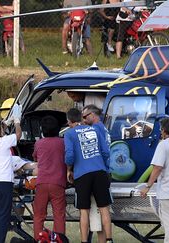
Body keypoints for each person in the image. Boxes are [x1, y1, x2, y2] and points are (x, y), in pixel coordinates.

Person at [64, 108, 113, 243]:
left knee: (84, 211)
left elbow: (69, 156)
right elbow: (105, 151)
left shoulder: (69, 134)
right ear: (81, 118)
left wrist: (69, 169)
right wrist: (101, 164)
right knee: (104, 208)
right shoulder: (95, 129)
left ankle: (84, 241)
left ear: (69, 121)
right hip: (100, 172)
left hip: (82, 174)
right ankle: (109, 240)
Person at [32, 116, 67, 240]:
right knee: (59, 215)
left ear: (42, 130)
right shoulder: (63, 143)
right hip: (58, 182)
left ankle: (38, 239)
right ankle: (59, 240)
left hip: (41, 182)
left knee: (39, 215)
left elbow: (35, 159)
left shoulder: (39, 143)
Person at [81, 104, 112, 243]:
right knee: (102, 210)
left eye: (85, 116)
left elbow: (103, 152)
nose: (83, 120)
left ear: (93, 115)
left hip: (97, 171)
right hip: (105, 172)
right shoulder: (103, 128)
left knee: (96, 213)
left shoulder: (94, 129)